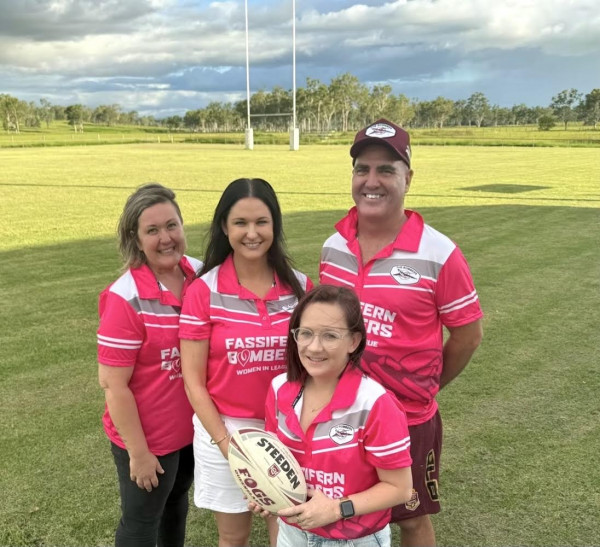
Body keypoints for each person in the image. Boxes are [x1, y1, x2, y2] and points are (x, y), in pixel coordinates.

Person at [319, 119, 484, 547]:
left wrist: (426, 385)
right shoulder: (333, 247)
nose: (371, 181)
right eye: (362, 169)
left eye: (386, 170)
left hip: (408, 418)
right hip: (341, 412)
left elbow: (468, 336)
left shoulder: (439, 253)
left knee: (411, 520)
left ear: (408, 178)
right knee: (343, 512)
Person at [179, 178, 313, 547]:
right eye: (240, 223)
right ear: (224, 227)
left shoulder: (301, 288)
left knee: (289, 536)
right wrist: (229, 446)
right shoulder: (203, 291)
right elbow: (193, 381)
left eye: (261, 222)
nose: (251, 233)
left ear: (275, 225)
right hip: (225, 431)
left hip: (288, 431)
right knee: (232, 537)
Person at [250, 284, 414, 546]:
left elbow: (400, 489)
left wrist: (337, 509)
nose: (314, 347)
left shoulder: (375, 403)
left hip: (354, 540)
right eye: (306, 333)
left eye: (330, 336)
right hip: (292, 534)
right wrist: (266, 491)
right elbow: (274, 459)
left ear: (354, 341)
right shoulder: (279, 388)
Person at [97, 183, 202, 547]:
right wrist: (139, 453)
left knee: (175, 505)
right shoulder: (125, 298)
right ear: (136, 239)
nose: (166, 238)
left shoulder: (201, 275)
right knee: (141, 523)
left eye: (172, 225)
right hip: (148, 439)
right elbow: (114, 385)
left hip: (191, 431)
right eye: (152, 230)